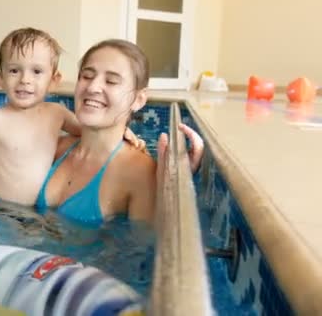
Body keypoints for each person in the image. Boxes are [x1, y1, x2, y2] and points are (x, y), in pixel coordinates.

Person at [0, 28, 144, 207]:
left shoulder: (56, 114)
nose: (25, 80)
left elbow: (91, 132)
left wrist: (123, 132)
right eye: (15, 70)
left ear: (53, 80)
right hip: (0, 210)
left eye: (37, 71)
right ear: (0, 79)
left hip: (39, 214)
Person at [36, 39, 204, 225]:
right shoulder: (56, 148)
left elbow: (145, 246)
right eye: (87, 76)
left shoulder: (139, 172)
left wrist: (174, 188)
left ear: (138, 100)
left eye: (111, 81)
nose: (92, 87)